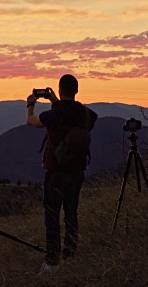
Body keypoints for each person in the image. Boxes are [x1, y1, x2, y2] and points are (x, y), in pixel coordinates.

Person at [25, 74, 98, 273]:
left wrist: (30, 104)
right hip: (77, 171)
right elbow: (76, 116)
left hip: (56, 171)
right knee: (71, 213)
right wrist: (55, 102)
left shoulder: (54, 115)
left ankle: (52, 261)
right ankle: (70, 255)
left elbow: (32, 121)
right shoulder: (85, 113)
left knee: (52, 216)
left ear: (59, 89)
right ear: (76, 90)